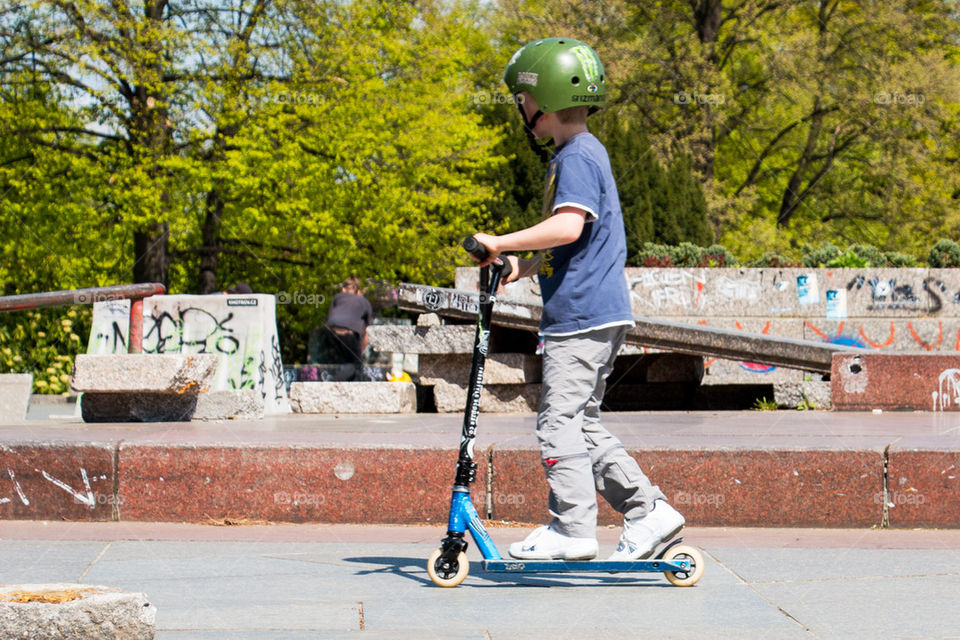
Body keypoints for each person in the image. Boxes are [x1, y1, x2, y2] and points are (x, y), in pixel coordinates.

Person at [469, 38, 684, 561]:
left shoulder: (579, 155)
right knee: (582, 424)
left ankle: (571, 528)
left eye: (523, 98)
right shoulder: (581, 154)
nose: (521, 110)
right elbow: (572, 240)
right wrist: (521, 265)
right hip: (593, 311)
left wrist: (500, 241)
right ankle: (648, 511)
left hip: (582, 315)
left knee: (557, 423)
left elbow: (566, 226)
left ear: (542, 95)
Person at [321, 276, 373, 381]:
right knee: (355, 365)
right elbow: (367, 332)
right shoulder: (364, 302)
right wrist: (361, 350)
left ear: (343, 290)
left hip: (331, 332)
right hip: (348, 334)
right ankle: (332, 383)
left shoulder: (337, 297)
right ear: (358, 291)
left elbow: (331, 317)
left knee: (345, 363)